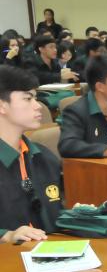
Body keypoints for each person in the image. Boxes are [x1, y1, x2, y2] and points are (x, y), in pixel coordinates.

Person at [0, 66, 63, 244]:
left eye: (36, 98)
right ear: (2, 106)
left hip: (48, 251)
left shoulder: (43, 157)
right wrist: (7, 235)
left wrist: (76, 215)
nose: (38, 106)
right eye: (28, 98)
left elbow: (55, 212)